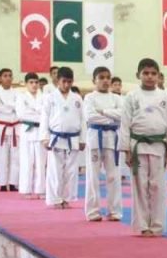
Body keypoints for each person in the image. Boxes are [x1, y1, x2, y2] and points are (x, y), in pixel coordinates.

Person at [121, 58, 167, 236]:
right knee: (140, 186)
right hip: (138, 145)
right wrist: (126, 150)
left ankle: (157, 225)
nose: (150, 77)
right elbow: (125, 124)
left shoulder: (165, 96)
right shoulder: (131, 97)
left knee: (158, 187)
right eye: (146, 73)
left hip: (159, 145)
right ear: (138, 75)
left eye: (153, 73)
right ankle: (141, 225)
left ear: (159, 76)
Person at [40, 67, 86, 209]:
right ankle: (55, 199)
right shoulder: (50, 98)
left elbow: (83, 120)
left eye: (69, 82)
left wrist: (82, 139)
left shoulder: (77, 98)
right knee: (55, 169)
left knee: (71, 171)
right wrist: (44, 137)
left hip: (73, 139)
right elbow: (44, 118)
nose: (67, 85)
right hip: (56, 138)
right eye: (64, 81)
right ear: (57, 81)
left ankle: (67, 198)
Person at [83, 66, 124, 221]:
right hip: (95, 137)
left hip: (113, 138)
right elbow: (90, 117)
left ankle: (115, 211)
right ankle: (93, 211)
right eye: (101, 77)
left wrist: (104, 112)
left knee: (114, 176)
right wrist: (111, 117)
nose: (105, 80)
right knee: (93, 176)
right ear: (94, 80)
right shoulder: (89, 98)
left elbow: (122, 116)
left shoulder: (117, 98)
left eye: (108, 77)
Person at [0, 67, 21, 192]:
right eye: (5, 76)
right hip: (1, 127)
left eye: (10, 75)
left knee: (15, 156)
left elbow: (19, 108)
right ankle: (2, 183)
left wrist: (7, 106)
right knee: (1, 156)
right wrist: (11, 107)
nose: (8, 78)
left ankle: (13, 182)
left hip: (15, 127)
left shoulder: (18, 93)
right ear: (0, 78)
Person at [15, 73, 46, 199]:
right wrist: (38, 113)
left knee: (41, 162)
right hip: (27, 131)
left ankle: (40, 190)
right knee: (26, 161)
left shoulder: (44, 97)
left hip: (41, 131)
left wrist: (35, 113)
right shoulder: (21, 97)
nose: (34, 85)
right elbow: (21, 114)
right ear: (26, 84)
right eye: (31, 82)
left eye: (36, 82)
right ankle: (25, 189)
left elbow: (46, 114)